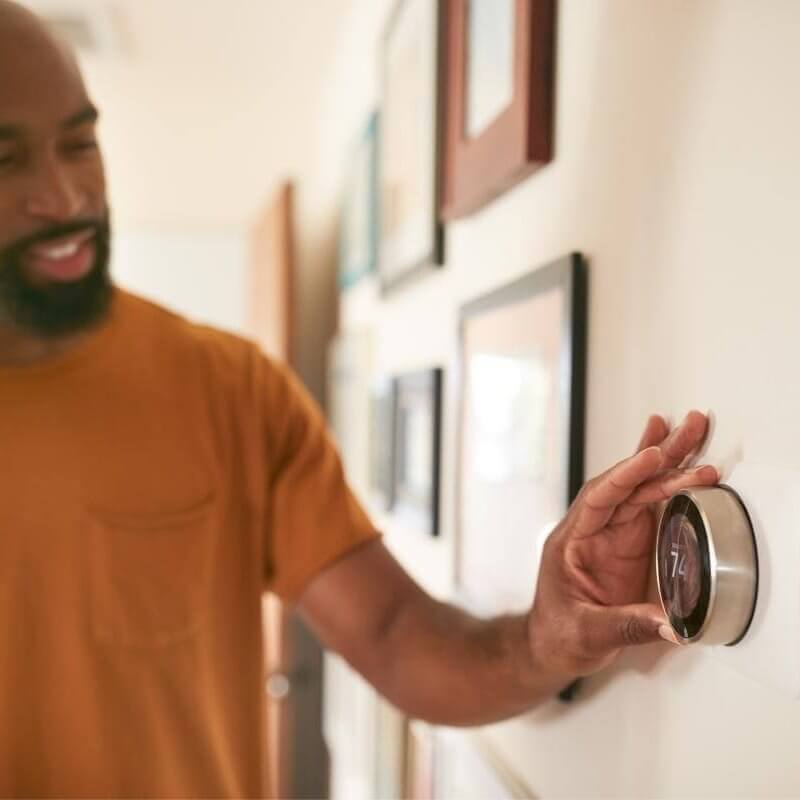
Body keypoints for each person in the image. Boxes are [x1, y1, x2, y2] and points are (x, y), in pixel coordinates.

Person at [0, 1, 718, 796]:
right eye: (5, 162)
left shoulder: (230, 388)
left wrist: (543, 639)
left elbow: (394, 633)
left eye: (79, 142)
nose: (63, 198)